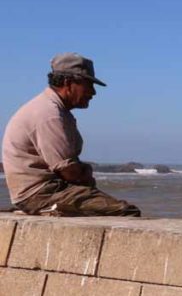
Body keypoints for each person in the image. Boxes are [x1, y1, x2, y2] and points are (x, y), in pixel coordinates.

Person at [1, 53, 140, 216]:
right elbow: (68, 171)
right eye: (88, 85)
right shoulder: (49, 115)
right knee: (126, 212)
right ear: (68, 83)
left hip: (38, 192)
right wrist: (86, 172)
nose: (93, 92)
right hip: (41, 194)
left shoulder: (51, 109)